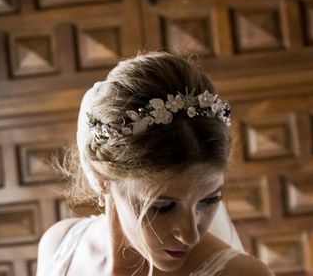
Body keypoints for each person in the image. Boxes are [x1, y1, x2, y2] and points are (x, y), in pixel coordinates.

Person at [37, 52, 273, 276]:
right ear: (102, 179)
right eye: (163, 206)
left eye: (209, 200)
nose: (190, 235)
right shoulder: (59, 244)